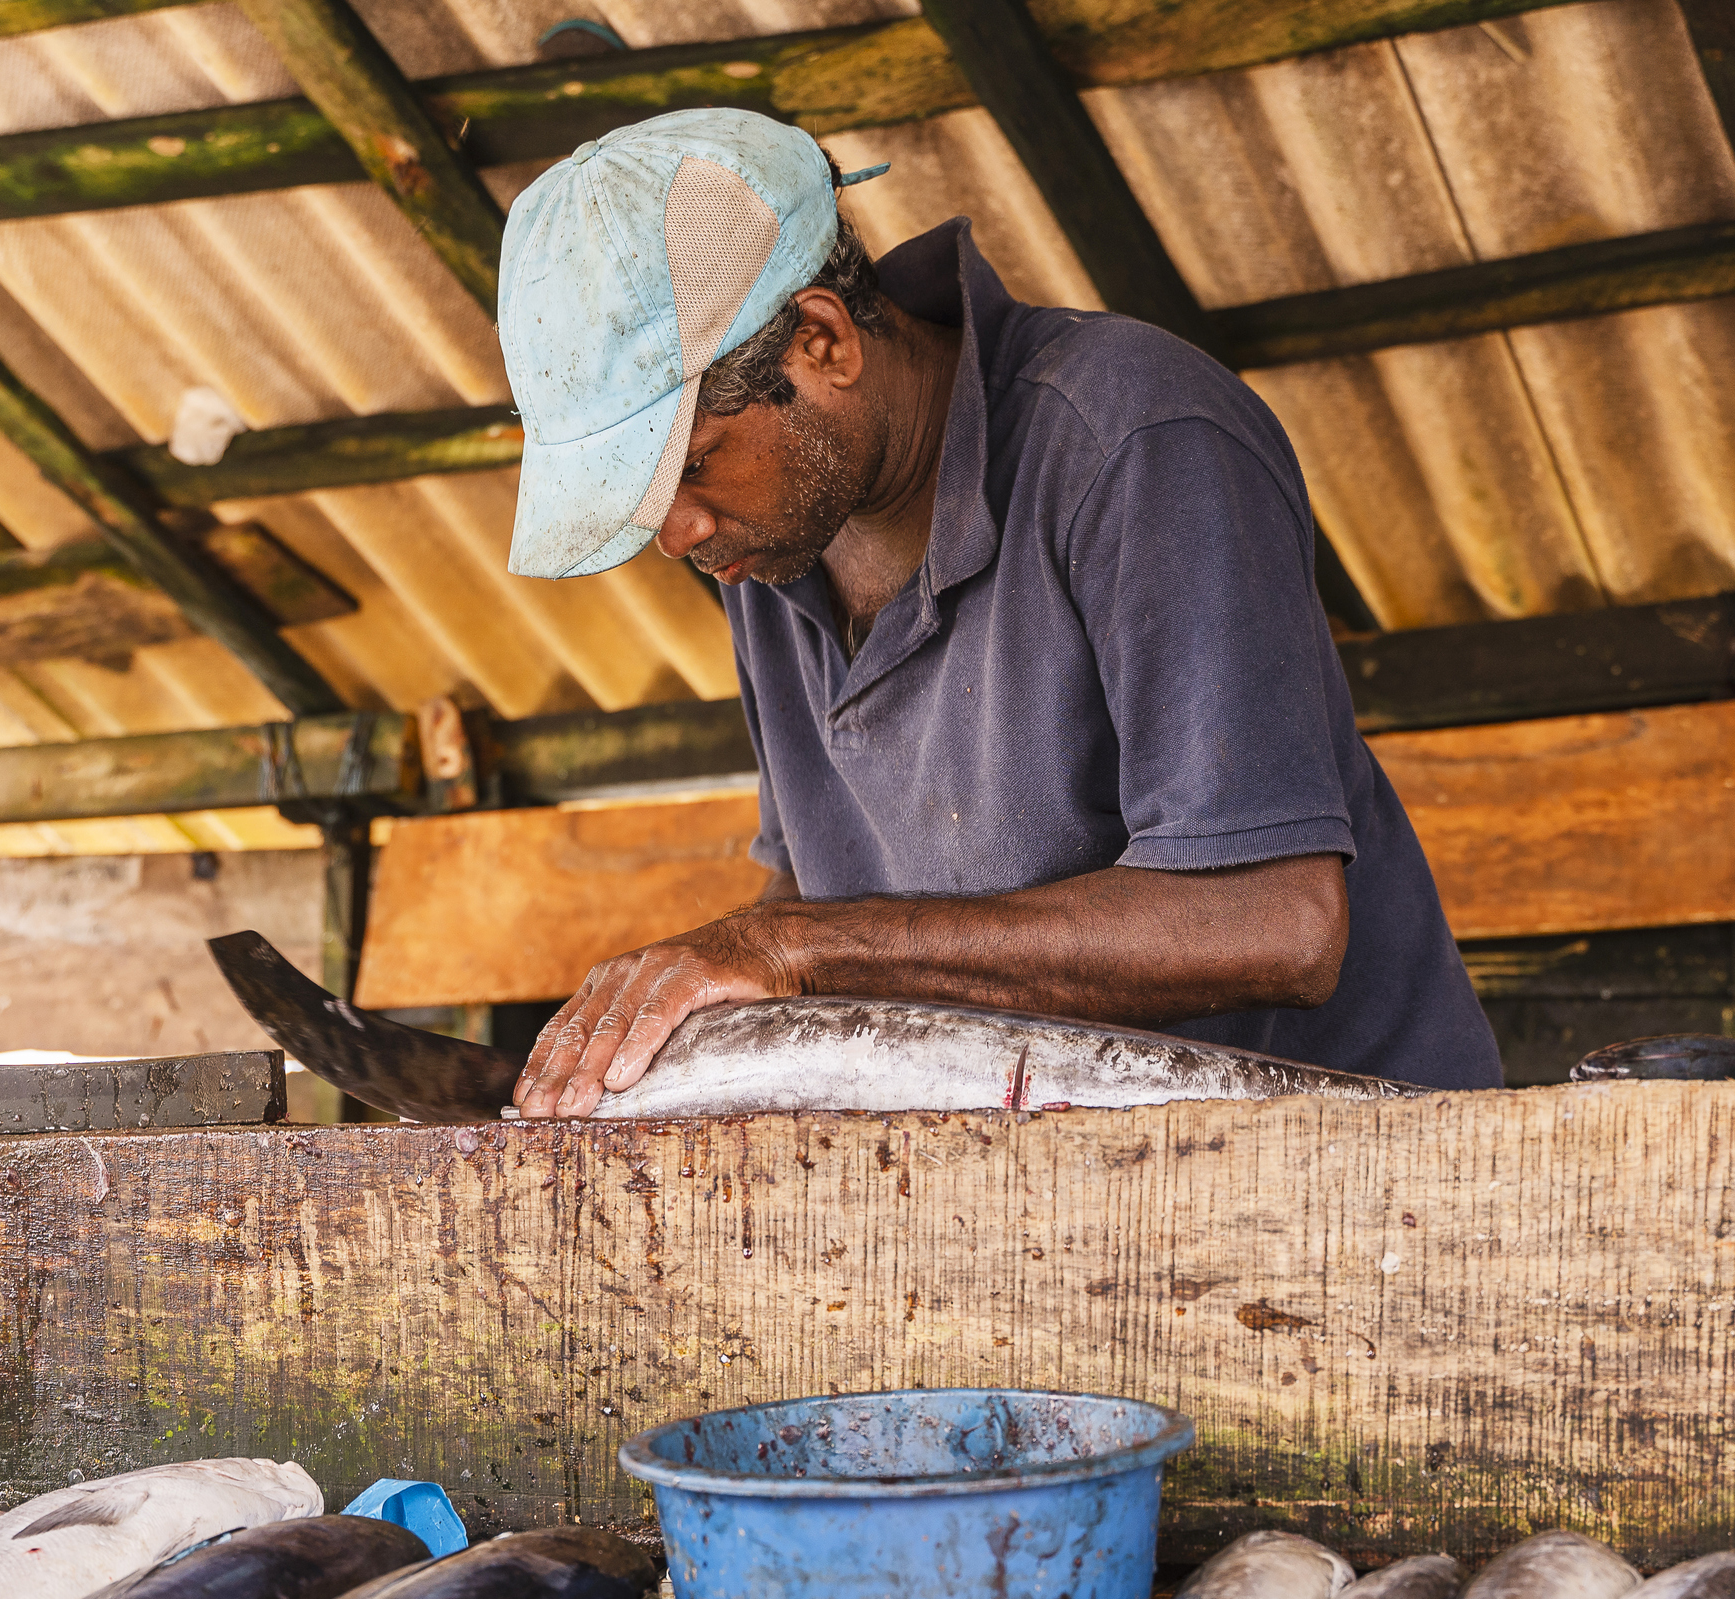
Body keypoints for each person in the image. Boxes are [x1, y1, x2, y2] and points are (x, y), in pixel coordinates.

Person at [489, 106, 1500, 1117]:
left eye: (694, 466)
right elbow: (812, 900)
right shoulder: (769, 543)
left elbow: (1275, 921)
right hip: (1050, 1199)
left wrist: (787, 952)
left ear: (823, 340)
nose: (678, 534)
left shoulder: (1136, 441)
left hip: (1351, 1186)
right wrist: (687, 1016)